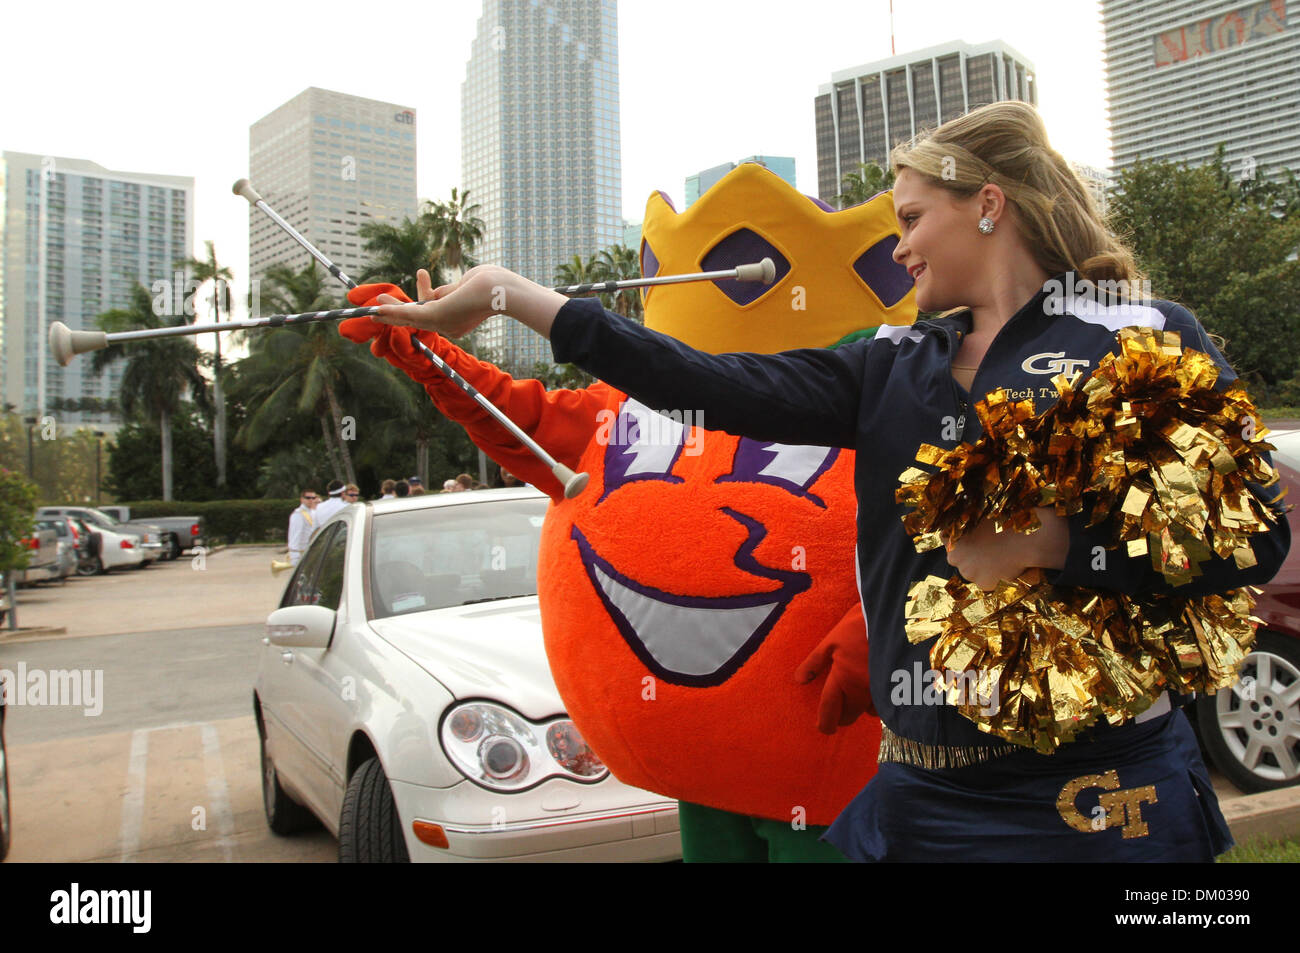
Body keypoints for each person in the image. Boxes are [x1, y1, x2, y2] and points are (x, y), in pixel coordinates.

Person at [363, 101, 1289, 862]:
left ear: (990, 205)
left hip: (1103, 800)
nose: (904, 248)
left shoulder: (1136, 332)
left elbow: (1251, 538)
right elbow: (703, 382)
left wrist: (1058, 544)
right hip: (922, 793)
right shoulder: (889, 363)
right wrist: (511, 297)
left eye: (913, 219)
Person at [287, 488, 318, 566]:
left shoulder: (314, 512)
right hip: (301, 552)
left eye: (313, 498)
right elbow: (295, 535)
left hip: (311, 551)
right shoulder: (298, 514)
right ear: (302, 499)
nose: (311, 500)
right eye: (308, 498)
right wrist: (294, 555)